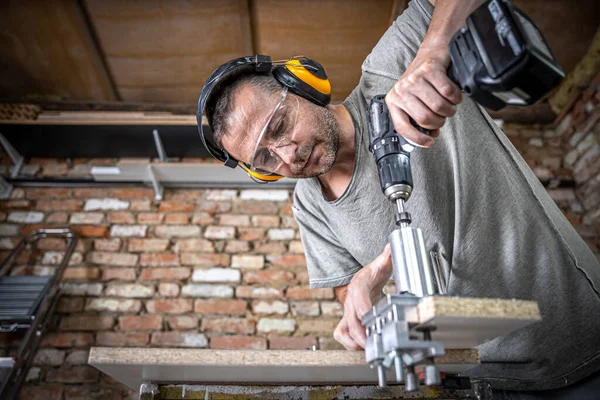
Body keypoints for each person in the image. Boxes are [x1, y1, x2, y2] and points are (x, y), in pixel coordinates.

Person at [197, 0, 600, 397]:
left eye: (280, 126)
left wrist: (433, 50)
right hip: (484, 377)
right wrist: (362, 292)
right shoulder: (310, 205)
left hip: (578, 331)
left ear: (302, 83)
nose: (288, 155)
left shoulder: (391, 66)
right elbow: (349, 287)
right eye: (266, 158)